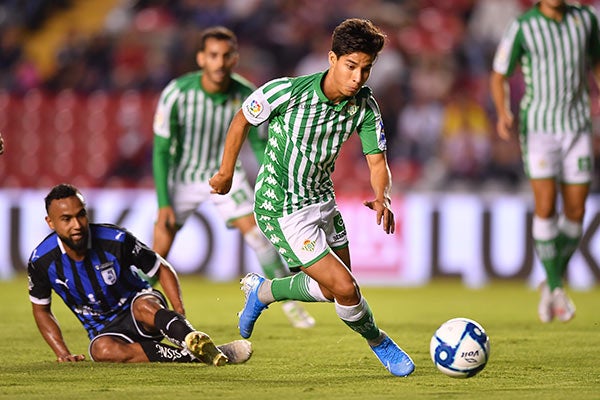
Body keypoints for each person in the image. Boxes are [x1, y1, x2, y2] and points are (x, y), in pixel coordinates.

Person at [210, 18, 415, 377]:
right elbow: (242, 118)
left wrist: (382, 196)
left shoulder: (366, 106)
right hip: (281, 206)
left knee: (335, 289)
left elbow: (378, 160)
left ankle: (264, 292)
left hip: (322, 198)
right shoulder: (286, 92)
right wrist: (227, 172)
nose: (357, 78)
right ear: (332, 58)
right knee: (346, 288)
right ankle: (379, 341)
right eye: (351, 67)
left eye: (366, 70)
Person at [152, 26, 315, 330]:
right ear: (201, 58)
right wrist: (164, 202)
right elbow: (160, 150)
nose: (220, 62)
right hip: (184, 177)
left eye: (226, 56)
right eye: (213, 55)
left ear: (235, 58)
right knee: (159, 246)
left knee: (257, 237)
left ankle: (290, 304)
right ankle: (139, 301)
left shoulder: (246, 94)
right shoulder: (176, 93)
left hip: (227, 174)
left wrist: (277, 179)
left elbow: (260, 143)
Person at [28, 183, 252, 364]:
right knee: (101, 351)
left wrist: (179, 313)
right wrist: (62, 352)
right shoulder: (41, 261)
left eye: (81, 215)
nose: (76, 224)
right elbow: (41, 309)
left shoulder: (114, 240)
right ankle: (200, 354)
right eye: (66, 219)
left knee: (145, 305)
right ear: (50, 222)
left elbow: (161, 268)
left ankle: (190, 337)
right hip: (105, 331)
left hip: (137, 306)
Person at [490, 0, 600, 323]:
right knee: (547, 205)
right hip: (539, 130)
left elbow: (596, 60)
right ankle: (555, 287)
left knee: (577, 211)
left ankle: (551, 282)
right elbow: (498, 75)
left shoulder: (587, 20)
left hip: (578, 127)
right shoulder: (523, 27)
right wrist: (503, 111)